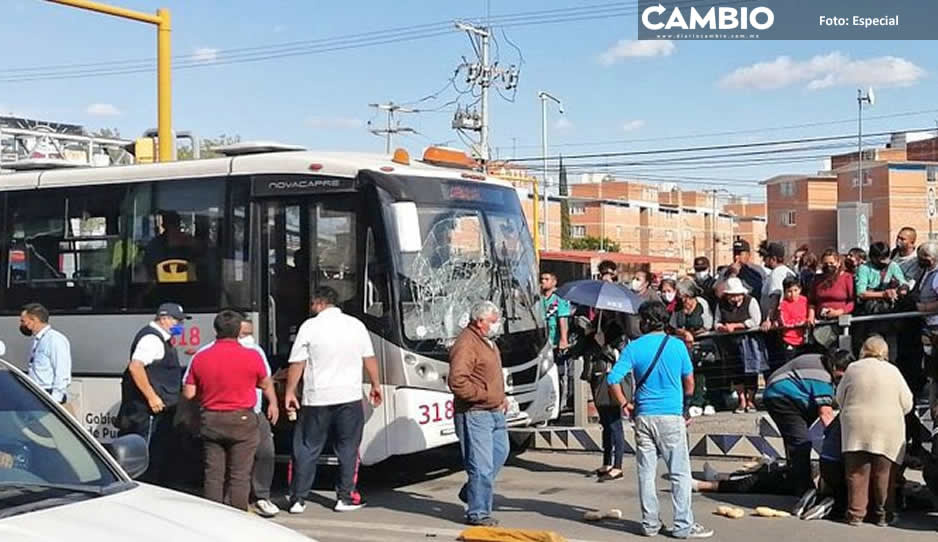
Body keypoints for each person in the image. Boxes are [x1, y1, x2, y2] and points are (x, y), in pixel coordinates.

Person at [607, 301, 714, 539]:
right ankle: (683, 525)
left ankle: (650, 524)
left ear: (645, 321)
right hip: (671, 415)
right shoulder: (677, 346)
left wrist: (625, 404)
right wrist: (686, 408)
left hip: (643, 416)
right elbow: (690, 382)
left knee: (646, 473)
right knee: (679, 473)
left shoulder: (634, 347)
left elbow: (613, 379)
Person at [285, 286, 383, 514]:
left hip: (316, 397)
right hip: (348, 396)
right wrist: (376, 384)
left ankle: (298, 499)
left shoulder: (309, 327)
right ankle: (345, 497)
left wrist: (290, 391)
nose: (311, 308)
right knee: (348, 448)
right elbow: (369, 358)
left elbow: (297, 363)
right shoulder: (355, 325)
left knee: (307, 448)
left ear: (319, 303)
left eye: (312, 304)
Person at [183, 310, 279, 512]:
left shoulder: (201, 357)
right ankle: (237, 516)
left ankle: (212, 514)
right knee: (240, 474)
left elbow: (189, 393)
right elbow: (264, 383)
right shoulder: (252, 355)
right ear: (238, 331)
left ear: (216, 330)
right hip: (242, 419)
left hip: (211, 419)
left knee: (214, 473)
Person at [837, 336, 914, 527]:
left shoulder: (853, 368)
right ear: (885, 352)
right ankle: (883, 514)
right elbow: (908, 403)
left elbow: (839, 397)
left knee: (856, 471)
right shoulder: (893, 371)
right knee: (884, 472)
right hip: (887, 426)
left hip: (856, 425)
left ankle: (856, 514)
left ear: (864, 349)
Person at [449, 301, 509, 527]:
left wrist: (500, 396)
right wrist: (484, 395)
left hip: (495, 410)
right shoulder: (466, 344)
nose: (496, 325)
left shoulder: (488, 343)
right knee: (480, 466)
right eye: (493, 322)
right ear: (479, 321)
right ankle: (478, 513)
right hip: (475, 413)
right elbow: (457, 381)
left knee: (500, 453)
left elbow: (491, 375)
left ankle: (472, 491)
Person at [116, 302, 188, 485]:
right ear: (164, 319)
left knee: (158, 453)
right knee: (145, 456)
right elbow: (136, 366)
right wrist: (152, 397)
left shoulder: (161, 339)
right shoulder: (151, 339)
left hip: (157, 409)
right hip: (147, 411)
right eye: (178, 321)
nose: (181, 326)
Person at [763, 347, 847, 502]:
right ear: (836, 368)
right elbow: (826, 414)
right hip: (782, 397)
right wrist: (836, 440)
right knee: (801, 442)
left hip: (788, 394)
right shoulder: (822, 377)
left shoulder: (821, 361)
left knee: (795, 440)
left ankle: (794, 476)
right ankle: (804, 489)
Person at [714, 277, 766, 414]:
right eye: (732, 296)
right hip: (730, 342)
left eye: (737, 295)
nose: (735, 299)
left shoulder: (751, 301)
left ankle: (751, 400)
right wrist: (722, 327)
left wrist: (736, 326)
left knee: (751, 371)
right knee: (735, 372)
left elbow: (755, 321)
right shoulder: (721, 304)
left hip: (748, 340)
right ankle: (741, 400)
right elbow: (717, 321)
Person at [19, 303, 71, 405]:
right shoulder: (39, 340)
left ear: (34, 320)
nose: (21, 325)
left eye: (23, 321)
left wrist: (55, 400)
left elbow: (62, 372)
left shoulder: (54, 340)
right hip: (38, 394)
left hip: (48, 395)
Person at [540, 272, 572, 409]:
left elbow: (562, 319)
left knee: (558, 374)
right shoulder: (539, 298)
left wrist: (563, 339)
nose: (543, 282)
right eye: (541, 279)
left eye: (546, 279)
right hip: (542, 341)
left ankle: (558, 404)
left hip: (555, 341)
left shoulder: (559, 298)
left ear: (554, 282)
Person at [811, 250, 855, 348]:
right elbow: (812, 300)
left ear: (838, 263)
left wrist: (838, 312)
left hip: (841, 322)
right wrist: (811, 314)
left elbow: (851, 301)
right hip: (821, 321)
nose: (828, 266)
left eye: (831, 263)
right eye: (826, 263)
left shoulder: (847, 277)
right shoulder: (817, 279)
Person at [776, 276, 814, 359]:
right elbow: (785, 322)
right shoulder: (783, 305)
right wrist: (801, 322)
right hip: (789, 340)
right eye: (789, 291)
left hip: (804, 339)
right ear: (785, 292)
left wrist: (808, 320)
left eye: (795, 290)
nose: (793, 294)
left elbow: (810, 315)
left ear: (800, 289)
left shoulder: (805, 300)